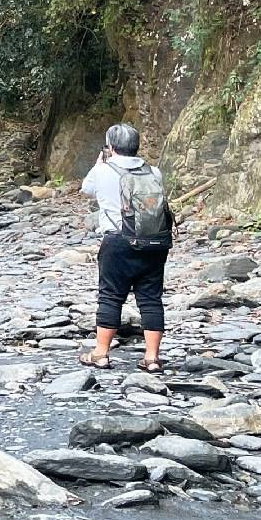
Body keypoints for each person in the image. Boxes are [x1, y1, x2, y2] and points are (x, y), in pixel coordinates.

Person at [79, 122, 174, 372]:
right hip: (154, 242)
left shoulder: (102, 171)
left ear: (111, 147)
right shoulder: (154, 172)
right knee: (151, 298)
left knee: (110, 296)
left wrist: (100, 163)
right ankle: (152, 358)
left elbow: (86, 190)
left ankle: (101, 353)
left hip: (118, 242)